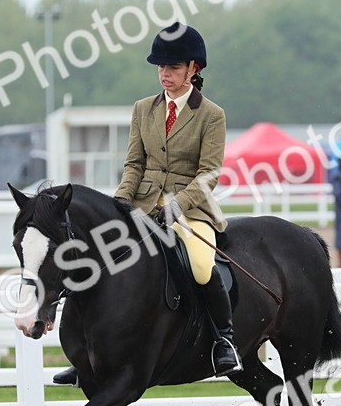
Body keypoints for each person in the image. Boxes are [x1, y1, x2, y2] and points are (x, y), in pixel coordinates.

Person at [53, 22, 241, 386]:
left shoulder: (211, 115)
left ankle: (224, 340)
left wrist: (176, 208)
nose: (164, 74)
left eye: (172, 67)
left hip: (191, 209)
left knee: (202, 265)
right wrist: (120, 201)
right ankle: (86, 354)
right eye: (160, 67)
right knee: (98, 258)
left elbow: (208, 174)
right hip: (141, 205)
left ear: (193, 69)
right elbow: (134, 163)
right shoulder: (143, 109)